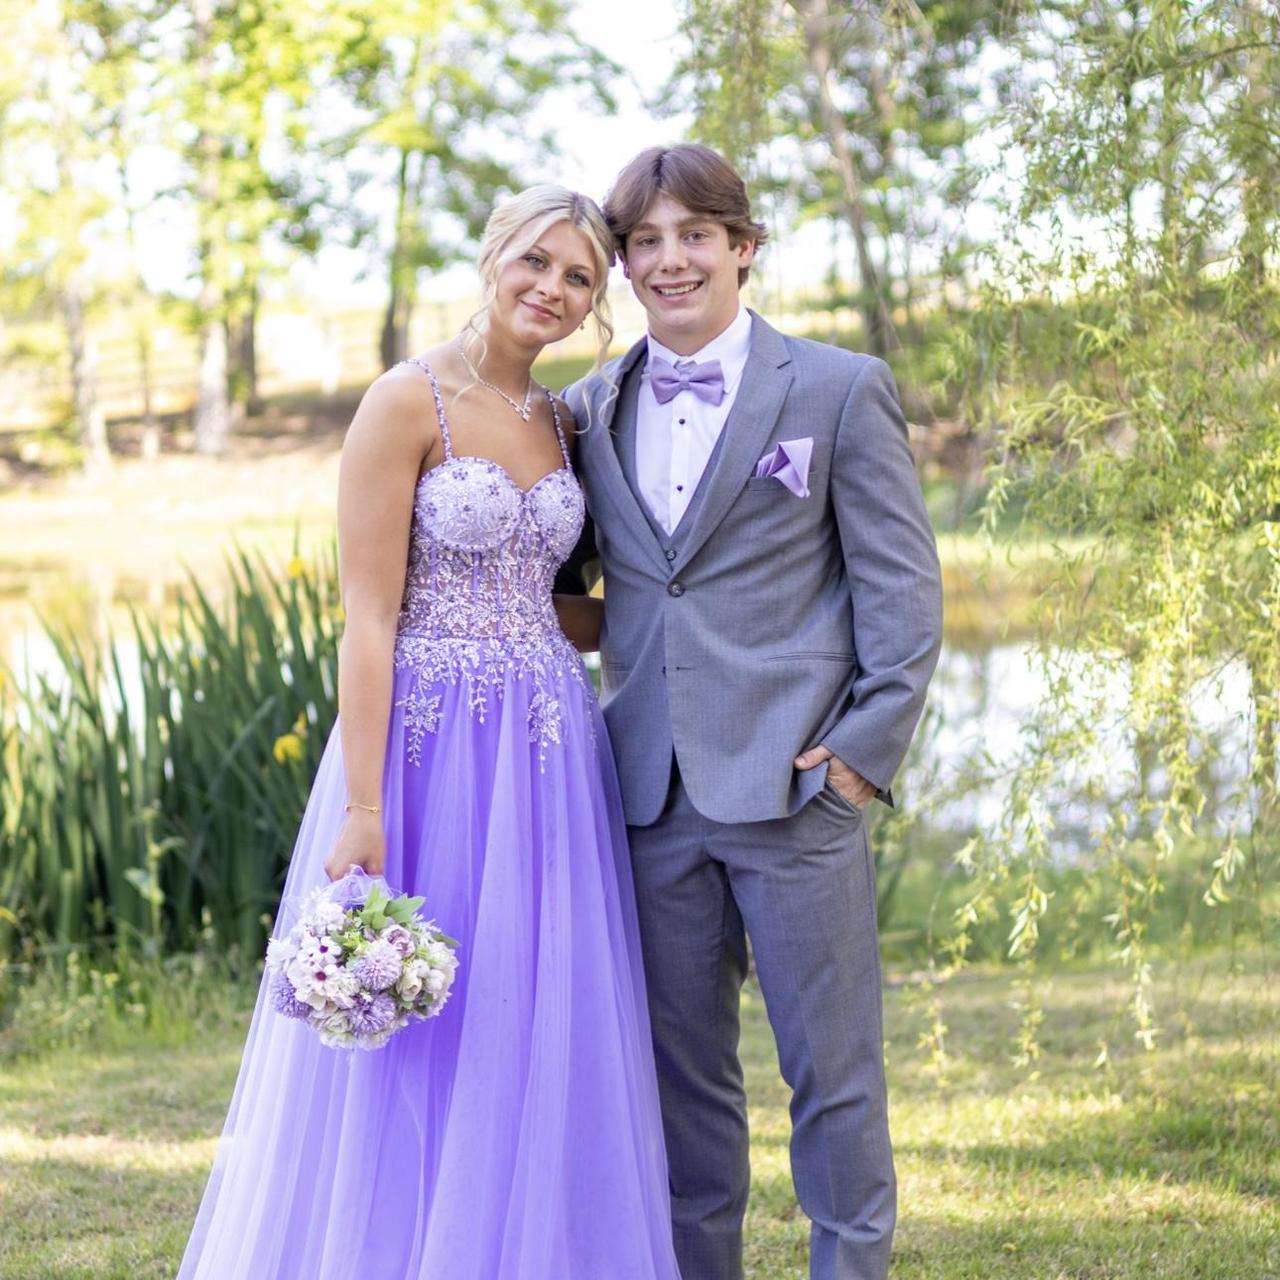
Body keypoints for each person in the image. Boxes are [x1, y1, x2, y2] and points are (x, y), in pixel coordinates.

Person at [177, 186, 681, 1280]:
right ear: (495, 256)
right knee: (423, 1008)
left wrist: (694, 616)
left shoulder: (566, 423)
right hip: (429, 745)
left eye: (580, 277)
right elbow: (367, 617)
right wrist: (364, 807)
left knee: (528, 1008)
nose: (552, 288)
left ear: (597, 301)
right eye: (536, 261)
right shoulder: (406, 401)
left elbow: (551, 600)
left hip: (548, 751)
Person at [561, 144, 944, 1280]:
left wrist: (859, 757)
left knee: (832, 1075)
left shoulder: (836, 388)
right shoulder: (587, 408)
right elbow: (573, 589)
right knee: (682, 1086)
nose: (669, 260)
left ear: (742, 246)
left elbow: (902, 592)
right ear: (624, 263)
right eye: (645, 242)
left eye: (694, 235)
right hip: (647, 796)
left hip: (795, 786)